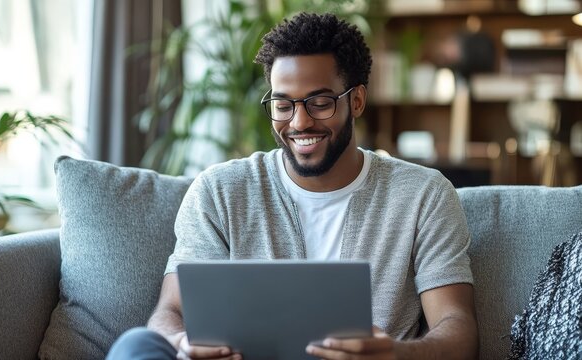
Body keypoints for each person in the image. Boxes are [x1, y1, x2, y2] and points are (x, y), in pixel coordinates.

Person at [107, 12, 478, 360]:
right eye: (283, 105)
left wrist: (395, 354)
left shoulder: (422, 195)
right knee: (136, 344)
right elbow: (168, 314)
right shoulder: (219, 193)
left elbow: (458, 329)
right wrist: (182, 344)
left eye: (320, 103)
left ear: (358, 100)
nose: (299, 122)